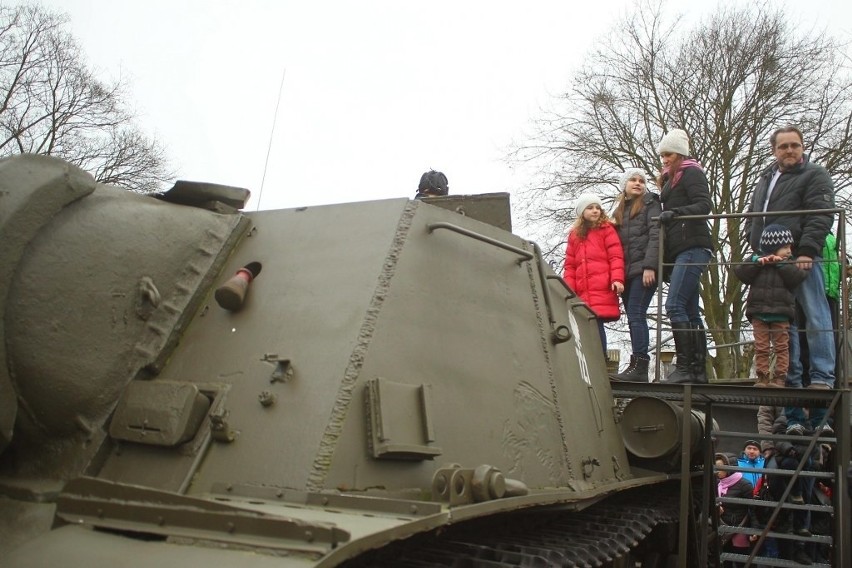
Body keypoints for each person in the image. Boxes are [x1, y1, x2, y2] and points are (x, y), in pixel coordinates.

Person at [744, 126, 836, 435]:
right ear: (774, 150)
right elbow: (755, 215)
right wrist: (754, 244)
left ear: (803, 147)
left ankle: (823, 376)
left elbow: (821, 214)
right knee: (786, 323)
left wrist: (807, 250)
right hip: (771, 262)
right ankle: (792, 379)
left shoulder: (815, 175)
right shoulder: (765, 178)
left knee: (815, 315)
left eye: (795, 145)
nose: (790, 150)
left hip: (800, 256)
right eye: (783, 146)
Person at [655, 129, 714, 384]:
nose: (664, 159)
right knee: (690, 310)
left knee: (674, 305)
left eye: (667, 154)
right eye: (662, 155)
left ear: (679, 153)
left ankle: (686, 367)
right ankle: (698, 370)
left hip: (693, 246)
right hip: (682, 248)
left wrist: (675, 212)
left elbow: (704, 205)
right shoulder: (673, 178)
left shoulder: (691, 173)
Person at [733, 224, 807, 387]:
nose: (789, 251)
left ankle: (780, 377)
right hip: (759, 312)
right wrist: (757, 262)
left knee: (781, 347)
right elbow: (741, 272)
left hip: (781, 313)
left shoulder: (789, 263)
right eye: (785, 247)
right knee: (761, 347)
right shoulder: (758, 260)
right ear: (773, 247)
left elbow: (797, 277)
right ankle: (762, 376)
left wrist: (780, 264)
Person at [610, 169, 661, 382]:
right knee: (632, 317)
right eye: (633, 180)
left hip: (643, 269)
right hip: (627, 272)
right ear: (625, 184)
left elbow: (655, 234)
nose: (638, 183)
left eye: (641, 180)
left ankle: (640, 365)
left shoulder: (651, 204)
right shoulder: (619, 210)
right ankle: (635, 364)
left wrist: (650, 266)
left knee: (636, 313)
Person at [563, 193, 625, 354]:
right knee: (585, 327)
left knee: (596, 324)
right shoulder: (574, 235)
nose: (595, 210)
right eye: (590, 208)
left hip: (601, 286)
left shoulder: (606, 230)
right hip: (582, 291)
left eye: (598, 207)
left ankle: (602, 359)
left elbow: (615, 256)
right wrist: (569, 290)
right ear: (582, 212)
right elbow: (570, 265)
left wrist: (617, 279)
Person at [715, 454, 754, 563]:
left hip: (740, 531)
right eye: (715, 468)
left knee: (741, 561)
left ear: (730, 468)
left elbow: (753, 510)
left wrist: (753, 531)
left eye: (721, 468)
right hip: (722, 530)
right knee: (724, 561)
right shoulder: (717, 483)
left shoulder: (745, 485)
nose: (717, 471)